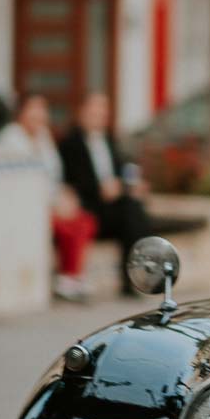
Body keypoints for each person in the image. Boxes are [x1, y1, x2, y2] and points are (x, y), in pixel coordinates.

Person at [0, 94, 97, 301]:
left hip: (52, 202)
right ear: (22, 113)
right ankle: (67, 277)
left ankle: (71, 276)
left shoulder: (44, 137)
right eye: (34, 109)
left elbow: (54, 175)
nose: (39, 115)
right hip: (25, 206)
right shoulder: (10, 139)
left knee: (85, 221)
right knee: (65, 226)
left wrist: (63, 197)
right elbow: (17, 182)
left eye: (42, 109)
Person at [59, 93, 153, 296]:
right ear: (82, 112)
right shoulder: (71, 144)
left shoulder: (109, 141)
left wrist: (130, 187)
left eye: (103, 110)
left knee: (134, 209)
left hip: (113, 205)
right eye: (94, 110)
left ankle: (136, 274)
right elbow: (73, 182)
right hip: (90, 205)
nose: (99, 115)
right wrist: (101, 189)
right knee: (132, 212)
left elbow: (121, 173)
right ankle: (135, 276)